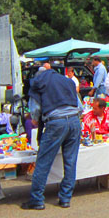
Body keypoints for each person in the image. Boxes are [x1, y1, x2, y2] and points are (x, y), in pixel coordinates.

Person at [21, 66, 82, 210]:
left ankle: (37, 199)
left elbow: (35, 110)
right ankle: (65, 198)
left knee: (43, 161)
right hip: (74, 120)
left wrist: (35, 119)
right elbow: (79, 106)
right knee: (70, 161)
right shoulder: (67, 81)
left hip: (56, 122)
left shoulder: (38, 83)